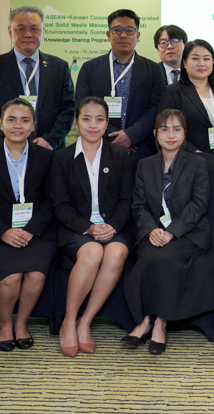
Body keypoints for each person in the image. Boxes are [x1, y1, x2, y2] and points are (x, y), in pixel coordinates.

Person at [121, 109, 214, 354]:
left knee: (163, 258)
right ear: (155, 133)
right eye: (165, 129)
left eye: (177, 129)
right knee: (148, 256)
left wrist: (172, 231)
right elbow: (138, 205)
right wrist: (151, 229)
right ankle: (145, 320)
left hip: (189, 232)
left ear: (185, 134)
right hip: (154, 231)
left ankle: (159, 322)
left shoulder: (198, 163)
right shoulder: (145, 165)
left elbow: (198, 205)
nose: (171, 135)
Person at [0, 97, 56, 352]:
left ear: (34, 125)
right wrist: (3, 232)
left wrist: (30, 230)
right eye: (12, 119)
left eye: (25, 120)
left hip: (37, 232)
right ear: (1, 123)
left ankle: (22, 323)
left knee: (36, 274)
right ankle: (6, 324)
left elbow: (52, 201)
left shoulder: (47, 157)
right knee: (12, 276)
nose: (18, 125)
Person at [50, 96, 135, 357]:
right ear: (76, 122)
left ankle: (85, 321)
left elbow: (127, 200)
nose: (93, 125)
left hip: (114, 226)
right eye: (86, 119)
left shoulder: (120, 155)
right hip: (77, 228)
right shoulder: (62, 158)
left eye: (99, 119)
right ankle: (68, 321)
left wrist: (113, 226)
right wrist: (89, 228)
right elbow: (60, 205)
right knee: (92, 252)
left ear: (107, 123)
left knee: (116, 252)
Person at [0, 6, 75, 150]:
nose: (28, 34)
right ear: (10, 31)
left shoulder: (59, 66)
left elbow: (68, 109)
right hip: (6, 148)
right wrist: (11, 139)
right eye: (21, 29)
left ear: (43, 32)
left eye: (34, 29)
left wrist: (51, 140)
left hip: (49, 149)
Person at [75, 9, 165, 156]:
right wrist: (113, 137)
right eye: (117, 30)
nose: (123, 35)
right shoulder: (89, 68)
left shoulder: (153, 69)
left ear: (138, 35)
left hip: (142, 150)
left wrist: (131, 136)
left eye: (129, 30)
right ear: (108, 34)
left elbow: (156, 108)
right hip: (100, 148)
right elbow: (82, 106)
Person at [158, 40, 214, 159]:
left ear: (213, 63)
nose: (201, 63)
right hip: (190, 158)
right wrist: (194, 152)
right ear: (184, 62)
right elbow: (166, 130)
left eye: (206, 59)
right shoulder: (172, 92)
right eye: (195, 58)